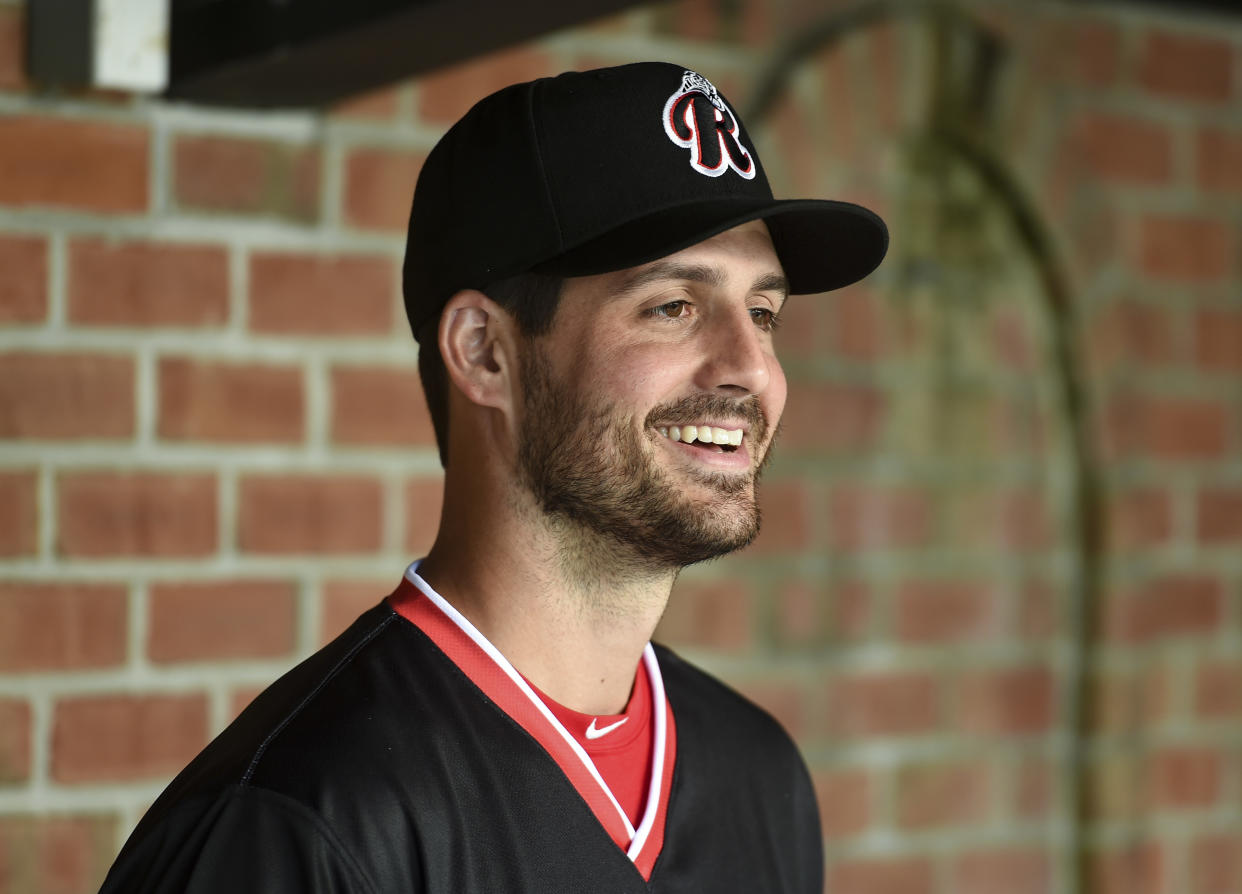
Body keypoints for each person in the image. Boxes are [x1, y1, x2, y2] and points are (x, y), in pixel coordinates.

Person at [98, 61, 887, 892]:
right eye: (673, 306)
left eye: (763, 314)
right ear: (484, 352)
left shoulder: (758, 776)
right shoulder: (303, 821)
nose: (750, 369)